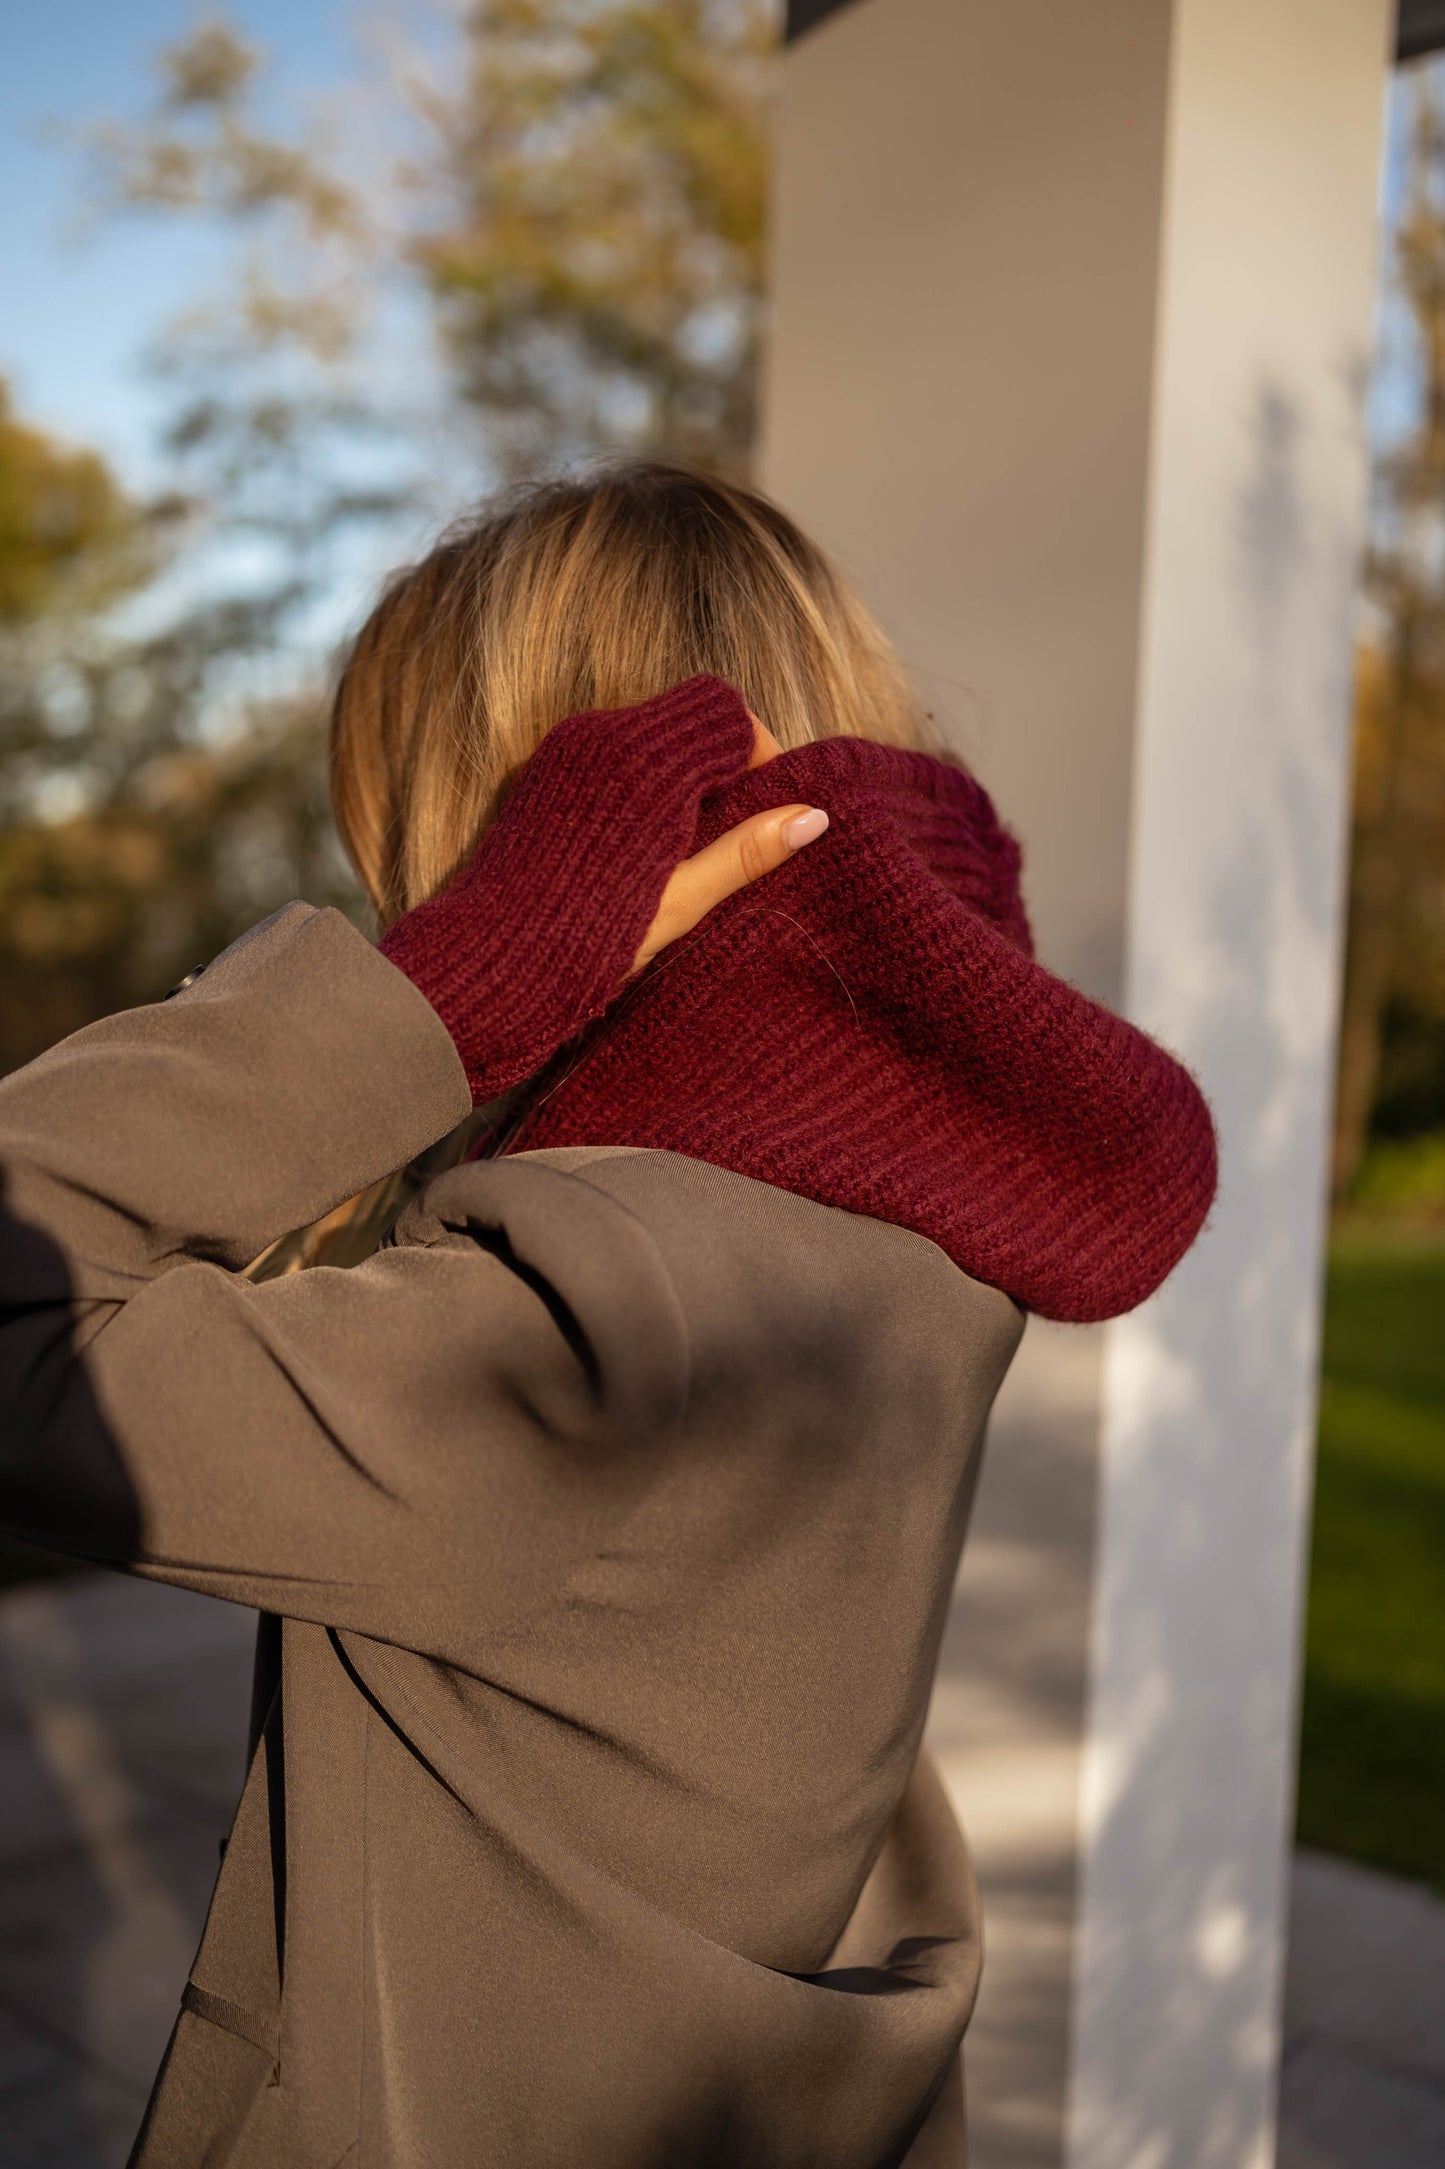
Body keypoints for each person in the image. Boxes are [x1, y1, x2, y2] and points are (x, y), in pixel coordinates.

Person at [0, 462, 1216, 2168]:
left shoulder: (595, 1313)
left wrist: (428, 999)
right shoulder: (889, 1239)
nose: (396, 901)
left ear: (541, 852)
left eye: (411, 856)